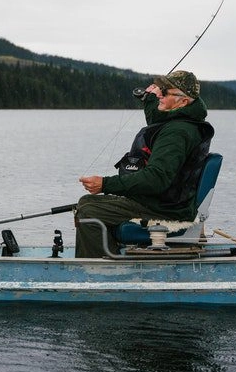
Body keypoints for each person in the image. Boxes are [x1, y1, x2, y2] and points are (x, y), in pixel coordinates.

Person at [75, 70, 214, 258]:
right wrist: (149, 99)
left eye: (165, 92)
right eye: (160, 90)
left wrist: (105, 184)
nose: (159, 95)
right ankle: (110, 256)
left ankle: (98, 270)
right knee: (87, 203)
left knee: (89, 209)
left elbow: (156, 179)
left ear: (183, 101)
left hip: (164, 207)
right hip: (167, 201)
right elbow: (157, 122)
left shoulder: (177, 133)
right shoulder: (182, 121)